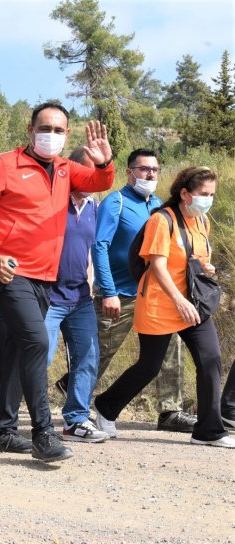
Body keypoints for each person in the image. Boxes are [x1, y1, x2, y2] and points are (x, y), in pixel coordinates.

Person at [0, 102, 114, 463]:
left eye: (59, 130)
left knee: (14, 349)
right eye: (45, 128)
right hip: (8, 272)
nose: (52, 135)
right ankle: (43, 432)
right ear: (30, 131)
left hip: (46, 277)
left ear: (67, 135)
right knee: (35, 340)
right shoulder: (4, 164)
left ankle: (2, 430)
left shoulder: (65, 169)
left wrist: (105, 161)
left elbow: (98, 182)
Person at [94, 167, 234, 448]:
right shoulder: (162, 220)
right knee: (149, 366)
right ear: (184, 193)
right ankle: (105, 407)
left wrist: (206, 267)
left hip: (192, 305)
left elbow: (193, 258)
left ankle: (208, 430)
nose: (208, 200)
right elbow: (157, 266)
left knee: (210, 360)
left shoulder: (201, 221)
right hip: (161, 303)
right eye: (203, 194)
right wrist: (178, 300)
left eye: (212, 195)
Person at [66, 148, 195, 433]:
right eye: (144, 169)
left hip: (153, 296)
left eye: (154, 170)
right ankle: (75, 404)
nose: (150, 174)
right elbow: (99, 247)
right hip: (119, 294)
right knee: (98, 353)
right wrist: (108, 291)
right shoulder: (116, 202)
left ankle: (170, 411)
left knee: (168, 351)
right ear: (130, 171)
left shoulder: (160, 206)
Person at [43, 147, 107, 443]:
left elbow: (93, 249)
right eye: (89, 172)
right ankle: (6, 406)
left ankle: (75, 421)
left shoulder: (95, 205)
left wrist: (94, 283)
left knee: (87, 357)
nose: (94, 178)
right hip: (47, 296)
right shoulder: (51, 199)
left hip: (80, 297)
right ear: (72, 169)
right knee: (38, 356)